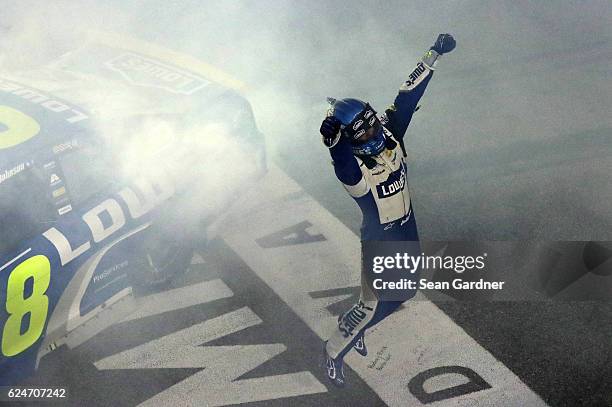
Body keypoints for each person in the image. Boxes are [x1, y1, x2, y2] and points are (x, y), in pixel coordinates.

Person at [319, 33, 456, 387]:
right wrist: (334, 144)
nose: (372, 130)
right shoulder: (356, 172)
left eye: (371, 120)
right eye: (361, 131)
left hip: (406, 226)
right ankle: (333, 349)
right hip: (381, 238)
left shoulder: (390, 133)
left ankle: (359, 327)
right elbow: (343, 166)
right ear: (350, 140)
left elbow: (406, 98)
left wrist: (432, 55)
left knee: (406, 290)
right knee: (373, 303)